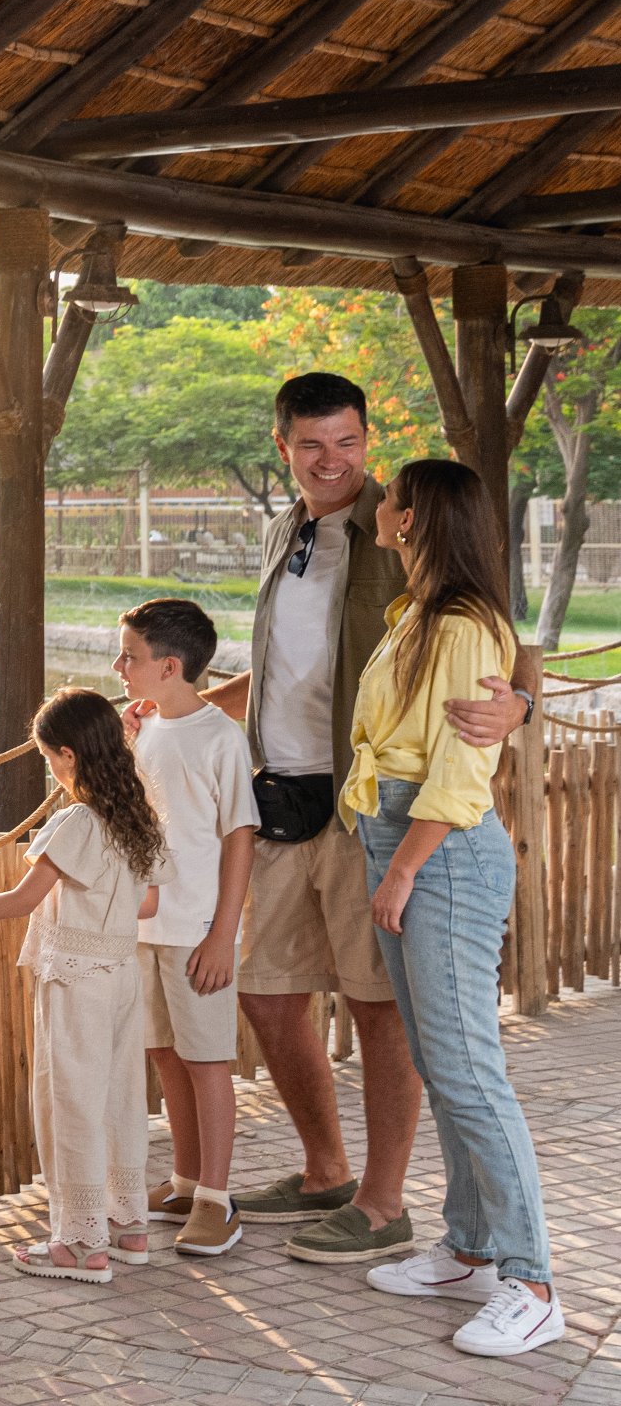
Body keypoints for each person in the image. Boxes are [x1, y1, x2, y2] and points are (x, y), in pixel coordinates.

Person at [199, 374, 525, 1265]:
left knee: (380, 1006)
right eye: (312, 446)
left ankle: (385, 1204)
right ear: (284, 449)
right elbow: (282, 667)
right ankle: (324, 1171)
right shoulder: (285, 529)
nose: (332, 461)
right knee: (266, 993)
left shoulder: (402, 521)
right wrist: (186, 706)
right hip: (281, 799)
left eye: (346, 442)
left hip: (364, 805)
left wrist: (519, 704)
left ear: (367, 440)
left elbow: (491, 632)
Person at [344, 458, 561, 1354]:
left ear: (414, 517)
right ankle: (469, 1249)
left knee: (469, 1070)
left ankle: (532, 1281)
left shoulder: (467, 627)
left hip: (438, 852)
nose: (380, 506)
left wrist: (402, 872)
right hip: (398, 838)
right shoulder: (417, 617)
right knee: (443, 1064)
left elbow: (461, 770)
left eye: (390, 498)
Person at [0, 687, 169, 1284]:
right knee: (119, 1097)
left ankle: (80, 1243)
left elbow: (24, 899)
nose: (50, 767)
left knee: (70, 1103)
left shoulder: (76, 821)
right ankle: (126, 1225)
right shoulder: (136, 814)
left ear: (69, 756)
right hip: (122, 974)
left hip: (75, 980)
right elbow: (147, 902)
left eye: (50, 757)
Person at [114, 598, 256, 1258]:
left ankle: (218, 1202)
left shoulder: (220, 737)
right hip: (150, 924)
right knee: (166, 1055)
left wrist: (223, 933)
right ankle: (185, 1180)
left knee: (206, 1063)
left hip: (198, 929)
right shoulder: (146, 728)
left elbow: (239, 838)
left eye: (131, 658)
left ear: (169, 667)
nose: (120, 667)